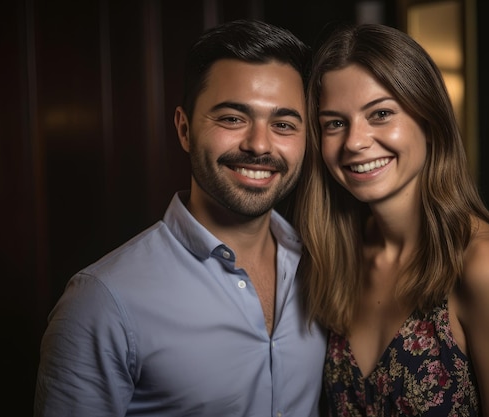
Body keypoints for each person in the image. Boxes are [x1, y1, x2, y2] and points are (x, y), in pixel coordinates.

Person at [34, 19, 327, 417]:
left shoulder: (323, 265)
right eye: (232, 118)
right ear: (185, 129)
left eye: (283, 125)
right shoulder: (102, 302)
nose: (259, 144)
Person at [294, 23, 489, 416]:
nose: (354, 141)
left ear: (429, 120)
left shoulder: (485, 266)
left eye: (380, 114)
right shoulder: (335, 257)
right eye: (334, 123)